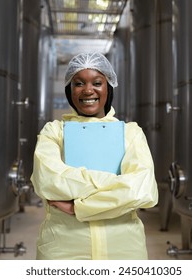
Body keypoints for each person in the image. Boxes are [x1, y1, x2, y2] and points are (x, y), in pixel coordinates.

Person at [30, 52, 158, 260]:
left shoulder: (131, 133)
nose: (88, 90)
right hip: (63, 246)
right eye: (78, 83)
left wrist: (78, 207)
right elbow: (48, 181)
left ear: (109, 87)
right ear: (69, 90)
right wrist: (116, 183)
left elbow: (142, 191)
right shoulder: (54, 132)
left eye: (97, 82)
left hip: (123, 246)